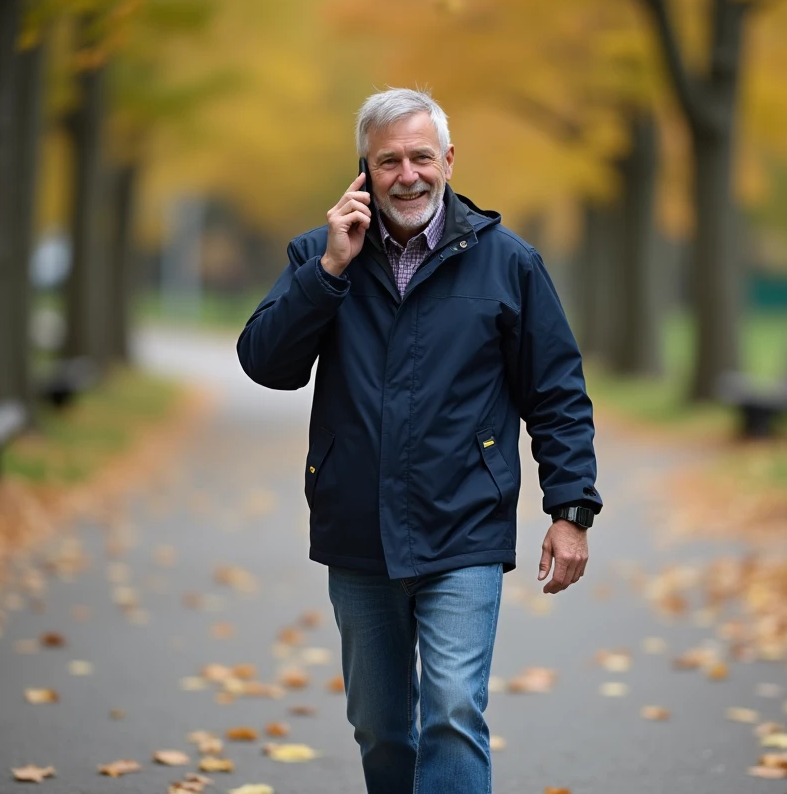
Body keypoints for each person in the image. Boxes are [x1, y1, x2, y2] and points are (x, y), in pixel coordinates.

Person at [236, 87, 602, 794]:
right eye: (389, 160)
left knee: (454, 711)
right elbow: (266, 364)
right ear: (364, 172)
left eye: (421, 157)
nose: (407, 175)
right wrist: (329, 274)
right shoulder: (321, 256)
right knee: (381, 725)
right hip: (358, 526)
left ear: (449, 161)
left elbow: (556, 392)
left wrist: (570, 511)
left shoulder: (509, 262)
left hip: (464, 522)